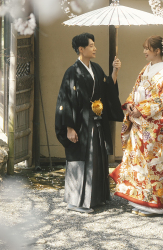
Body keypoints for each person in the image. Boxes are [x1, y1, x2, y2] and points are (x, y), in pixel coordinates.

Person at [111, 35, 163, 216]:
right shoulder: (147, 69)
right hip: (140, 123)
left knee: (155, 164)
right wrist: (129, 104)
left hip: (154, 127)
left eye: (147, 48)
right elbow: (135, 90)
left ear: (157, 51)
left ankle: (158, 205)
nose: (144, 52)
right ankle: (143, 201)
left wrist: (142, 110)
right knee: (140, 164)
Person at [55, 32, 123, 213]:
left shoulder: (97, 68)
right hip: (80, 122)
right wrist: (69, 127)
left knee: (97, 156)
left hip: (96, 119)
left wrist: (115, 71)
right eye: (91, 45)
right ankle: (76, 201)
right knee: (81, 158)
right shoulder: (72, 71)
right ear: (81, 49)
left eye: (94, 45)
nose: (95, 48)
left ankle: (95, 198)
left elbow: (108, 88)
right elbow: (66, 100)